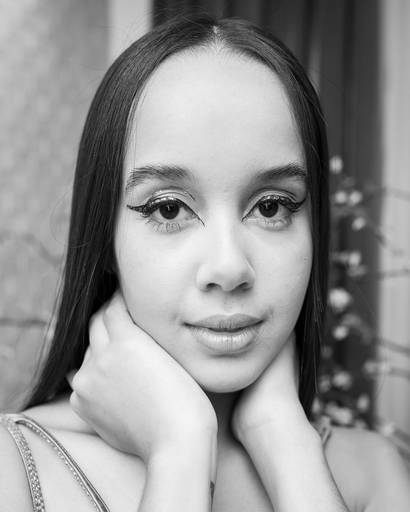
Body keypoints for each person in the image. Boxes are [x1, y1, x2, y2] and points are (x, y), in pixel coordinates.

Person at [1, 13, 409, 512]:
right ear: (105, 238)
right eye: (169, 209)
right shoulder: (14, 468)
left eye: (271, 206)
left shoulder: (371, 475)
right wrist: (179, 449)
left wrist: (286, 443)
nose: (229, 267)